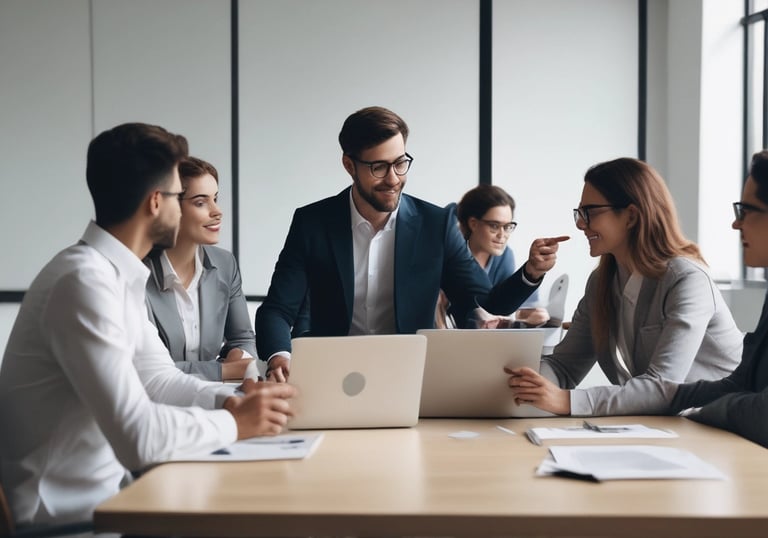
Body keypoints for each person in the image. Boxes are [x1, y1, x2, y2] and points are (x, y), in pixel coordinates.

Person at [0, 123, 295, 528]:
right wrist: (234, 423)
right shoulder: (83, 281)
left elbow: (157, 379)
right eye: (180, 196)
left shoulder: (114, 275)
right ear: (156, 202)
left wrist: (228, 400)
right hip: (69, 520)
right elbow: (138, 437)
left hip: (117, 501)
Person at [255, 106, 568, 381]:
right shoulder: (313, 223)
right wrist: (280, 356)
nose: (393, 179)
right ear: (349, 165)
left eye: (400, 163)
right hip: (331, 372)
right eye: (378, 167)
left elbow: (484, 300)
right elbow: (278, 309)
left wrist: (531, 271)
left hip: (410, 375)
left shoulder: (436, 224)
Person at [507, 157, 742, 416]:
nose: (580, 224)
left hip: (722, 427)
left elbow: (662, 386)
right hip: (668, 428)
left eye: (590, 212)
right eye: (579, 213)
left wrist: (567, 401)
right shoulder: (601, 283)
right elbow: (564, 367)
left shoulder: (687, 279)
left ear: (630, 216)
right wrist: (515, 382)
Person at [663, 150, 768, 447]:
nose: (736, 224)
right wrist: (662, 398)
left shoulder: (687, 277)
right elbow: (742, 383)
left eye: (746, 211)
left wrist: (699, 412)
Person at [145, 156, 258, 381]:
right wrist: (224, 370)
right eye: (200, 202)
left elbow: (243, 337)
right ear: (170, 208)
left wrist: (238, 354)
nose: (217, 211)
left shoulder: (225, 264)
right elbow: (146, 369)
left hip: (212, 399)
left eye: (215, 198)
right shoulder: (136, 273)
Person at [449, 184, 550, 327]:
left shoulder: (504, 256)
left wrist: (522, 316)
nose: (502, 235)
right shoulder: (451, 254)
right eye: (494, 226)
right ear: (473, 224)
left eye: (508, 226)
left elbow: (501, 305)